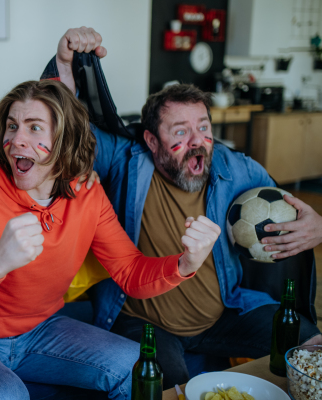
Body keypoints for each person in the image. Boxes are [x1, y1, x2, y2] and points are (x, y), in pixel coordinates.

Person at [48, 27, 322, 389]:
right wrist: (65, 64)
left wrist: (318, 225)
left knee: (310, 346)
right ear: (151, 139)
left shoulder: (237, 168)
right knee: (169, 386)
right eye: (179, 132)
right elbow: (67, 130)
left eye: (203, 127)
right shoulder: (125, 160)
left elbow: (295, 213)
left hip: (226, 312)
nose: (198, 142)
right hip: (143, 320)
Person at [0, 79, 221, 399]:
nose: (17, 139)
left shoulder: (87, 194)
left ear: (64, 138)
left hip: (41, 329)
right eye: (13, 126)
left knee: (136, 367)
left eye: (34, 128)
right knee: (5, 395)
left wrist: (185, 264)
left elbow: (130, 271)